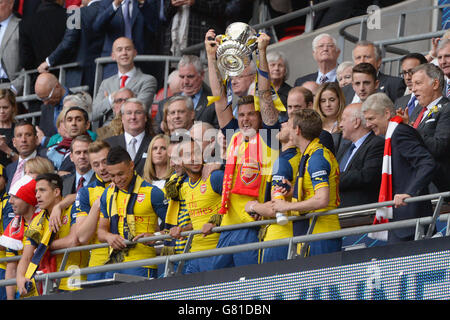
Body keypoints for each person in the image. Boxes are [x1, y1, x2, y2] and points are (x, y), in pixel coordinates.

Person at [203, 30, 280, 268]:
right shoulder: (234, 134)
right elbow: (218, 98)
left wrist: (263, 53)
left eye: (250, 115)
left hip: (254, 225)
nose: (245, 120)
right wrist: (210, 56)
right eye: (242, 115)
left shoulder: (269, 136)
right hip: (228, 225)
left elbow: (265, 95)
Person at [362, 93, 436, 243]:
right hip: (400, 220)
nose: (368, 124)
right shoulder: (393, 134)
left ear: (387, 114)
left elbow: (427, 163)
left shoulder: (399, 133)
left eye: (371, 118)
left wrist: (409, 193)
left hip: (410, 219)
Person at [272, 108, 342, 256]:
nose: (286, 129)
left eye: (289, 125)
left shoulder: (317, 157)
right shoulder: (310, 154)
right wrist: (294, 191)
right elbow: (313, 193)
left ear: (297, 130)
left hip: (321, 234)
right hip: (312, 233)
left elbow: (322, 199)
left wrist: (288, 205)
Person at [97, 146, 167, 278]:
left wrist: (156, 235)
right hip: (114, 263)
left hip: (143, 263)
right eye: (112, 176)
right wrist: (109, 237)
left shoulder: (153, 193)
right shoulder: (107, 194)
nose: (117, 180)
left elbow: (173, 227)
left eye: (120, 174)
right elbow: (101, 231)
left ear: (131, 165)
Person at [15, 173, 89, 297]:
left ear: (56, 192)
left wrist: (44, 246)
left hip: (76, 279)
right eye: (36, 191)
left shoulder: (73, 208)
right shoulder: (37, 220)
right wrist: (20, 277)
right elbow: (26, 256)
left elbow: (73, 241)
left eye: (42, 190)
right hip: (50, 284)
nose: (37, 195)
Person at [167, 139, 223, 274]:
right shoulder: (183, 187)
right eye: (188, 155)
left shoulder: (215, 177)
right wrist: (182, 229)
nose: (194, 158)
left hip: (218, 253)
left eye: (197, 153)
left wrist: (214, 222)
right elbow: (198, 221)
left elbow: (236, 207)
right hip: (194, 256)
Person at [36, 0, 104, 95]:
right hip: (107, 71)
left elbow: (69, 41)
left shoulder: (75, 12)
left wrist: (49, 61)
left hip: (81, 74)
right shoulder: (111, 8)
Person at [92, 37, 157, 126]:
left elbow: (140, 109)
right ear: (113, 56)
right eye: (119, 50)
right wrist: (111, 98)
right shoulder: (106, 83)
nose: (124, 53)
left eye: (128, 49)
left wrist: (116, 104)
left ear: (135, 53)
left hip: (134, 129)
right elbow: (93, 114)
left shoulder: (148, 80)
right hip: (108, 130)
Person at [72, 140, 111, 281]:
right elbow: (82, 237)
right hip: (98, 264)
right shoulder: (85, 192)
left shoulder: (131, 185)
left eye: (105, 161)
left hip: (128, 258)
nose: (102, 168)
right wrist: (96, 206)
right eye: (96, 164)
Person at [408, 63, 450, 194]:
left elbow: (439, 147)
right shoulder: (416, 111)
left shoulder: (447, 109)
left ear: (435, 84)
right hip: (414, 184)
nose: (413, 89)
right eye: (412, 84)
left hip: (436, 187)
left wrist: (410, 130)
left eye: (418, 83)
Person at [92, 0, 159, 78]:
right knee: (112, 89)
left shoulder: (147, 2)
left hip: (140, 62)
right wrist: (115, 5)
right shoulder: (107, 3)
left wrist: (143, 4)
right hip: (113, 63)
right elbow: (97, 27)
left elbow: (156, 28)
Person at [154, 55, 219, 133]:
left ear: (202, 75)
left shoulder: (215, 103)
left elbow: (220, 134)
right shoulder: (164, 104)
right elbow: (156, 134)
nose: (185, 82)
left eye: (190, 76)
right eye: (182, 77)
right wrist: (163, 127)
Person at [337, 103, 384, 208]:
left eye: (343, 120)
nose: (340, 125)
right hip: (339, 213)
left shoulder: (376, 144)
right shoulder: (344, 148)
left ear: (356, 122)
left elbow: (368, 176)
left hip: (360, 213)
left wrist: (334, 177)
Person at [2, 175, 36, 299]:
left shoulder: (44, 220)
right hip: (21, 290)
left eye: (15, 197)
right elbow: (11, 268)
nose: (10, 201)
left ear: (28, 199)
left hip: (42, 283)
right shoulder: (14, 225)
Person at [104, 98, 153, 176]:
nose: (133, 117)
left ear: (145, 117)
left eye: (138, 112)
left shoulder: (155, 143)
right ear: (122, 118)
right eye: (129, 113)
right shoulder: (108, 144)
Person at [18, 0, 67, 72]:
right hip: (70, 77)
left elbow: (25, 61)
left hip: (39, 77)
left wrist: (40, 67)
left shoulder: (25, 23)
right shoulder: (72, 16)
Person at [286, 86, 335, 154]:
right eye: (289, 107)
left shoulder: (322, 136)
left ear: (310, 105)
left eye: (297, 107)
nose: (292, 111)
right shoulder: (282, 133)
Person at [46, 106, 92, 173]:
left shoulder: (94, 148)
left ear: (87, 125)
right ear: (65, 125)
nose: (73, 124)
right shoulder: (54, 150)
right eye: (69, 120)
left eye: (78, 120)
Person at [5, 121, 42, 192]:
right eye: (19, 136)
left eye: (28, 135)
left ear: (36, 139)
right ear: (14, 142)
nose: (23, 140)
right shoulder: (9, 168)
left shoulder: (45, 162)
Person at [34, 73, 72, 143]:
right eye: (42, 99)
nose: (45, 103)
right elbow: (42, 138)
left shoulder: (77, 102)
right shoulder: (45, 107)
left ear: (57, 86)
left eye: (47, 97)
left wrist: (45, 141)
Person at [394, 53, 428, 121]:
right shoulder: (399, 102)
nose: (407, 77)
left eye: (411, 72)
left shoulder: (432, 98)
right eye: (404, 73)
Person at [0, 0, 23, 95]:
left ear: (11, 4)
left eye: (0, 3)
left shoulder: (21, 26)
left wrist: (15, 88)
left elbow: (31, 62)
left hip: (11, 88)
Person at [267, 51, 291, 121]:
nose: (276, 68)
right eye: (272, 65)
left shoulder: (291, 93)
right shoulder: (257, 91)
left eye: (280, 65)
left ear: (285, 70)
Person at [0, 89, 18, 167]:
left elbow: (24, 163)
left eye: (5, 107)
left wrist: (6, 149)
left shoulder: (19, 129)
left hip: (12, 175)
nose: (1, 111)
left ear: (13, 108)